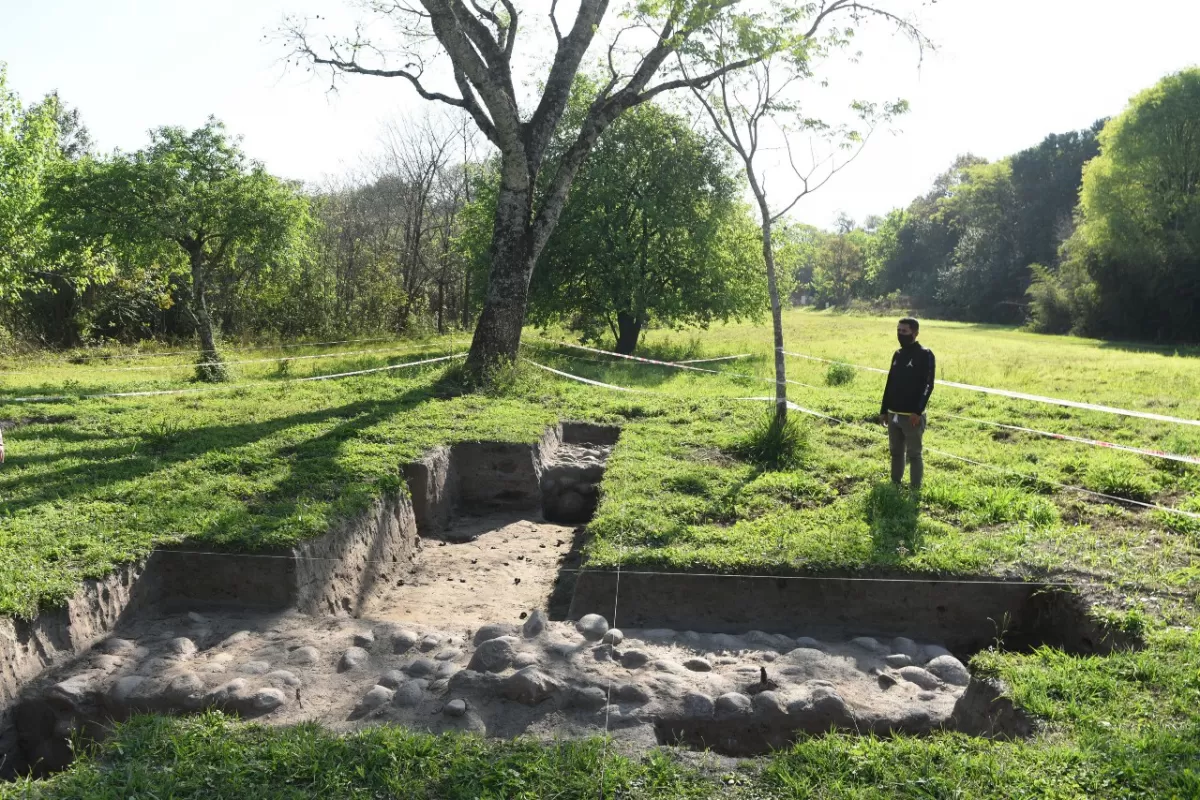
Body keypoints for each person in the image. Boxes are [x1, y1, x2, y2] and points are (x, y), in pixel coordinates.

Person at [878, 317, 935, 492]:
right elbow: (890, 382)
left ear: (915, 333)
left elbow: (928, 384)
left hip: (911, 416)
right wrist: (883, 410)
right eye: (898, 330)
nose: (900, 334)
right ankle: (895, 484)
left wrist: (918, 411)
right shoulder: (898, 354)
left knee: (914, 454)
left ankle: (915, 489)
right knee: (896, 452)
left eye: (904, 331)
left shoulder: (925, 354)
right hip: (893, 413)